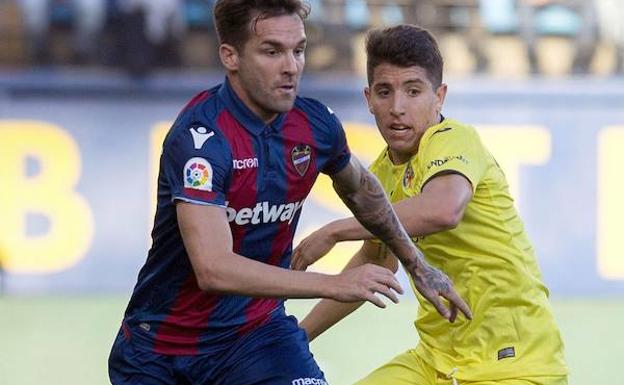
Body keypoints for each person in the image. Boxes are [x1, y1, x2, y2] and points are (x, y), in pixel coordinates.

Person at [108, 2, 471, 384]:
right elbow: (213, 268)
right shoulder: (201, 139)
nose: (291, 66)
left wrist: (416, 263)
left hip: (257, 337)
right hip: (163, 351)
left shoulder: (315, 124)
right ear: (230, 56)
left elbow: (364, 192)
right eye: (272, 51)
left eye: (298, 50)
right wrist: (335, 283)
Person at [292, 24, 568, 385]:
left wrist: (334, 230)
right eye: (385, 92)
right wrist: (298, 337)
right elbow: (378, 261)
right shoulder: (382, 173)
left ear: (440, 96)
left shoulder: (454, 139)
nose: (397, 108)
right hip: (434, 361)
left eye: (413, 91)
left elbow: (443, 209)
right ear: (368, 98)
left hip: (515, 365)